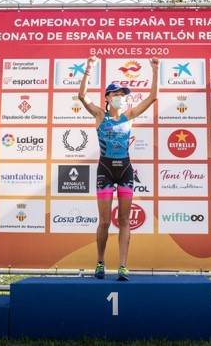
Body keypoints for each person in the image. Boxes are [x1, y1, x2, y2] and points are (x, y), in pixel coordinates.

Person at [78, 56, 159, 281]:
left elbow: (153, 97)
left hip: (124, 170)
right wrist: (89, 69)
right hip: (105, 170)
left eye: (123, 95)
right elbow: (82, 96)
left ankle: (123, 266)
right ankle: (100, 262)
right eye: (116, 94)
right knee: (104, 221)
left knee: (124, 220)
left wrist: (155, 70)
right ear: (107, 98)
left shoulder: (128, 115)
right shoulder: (99, 115)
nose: (120, 98)